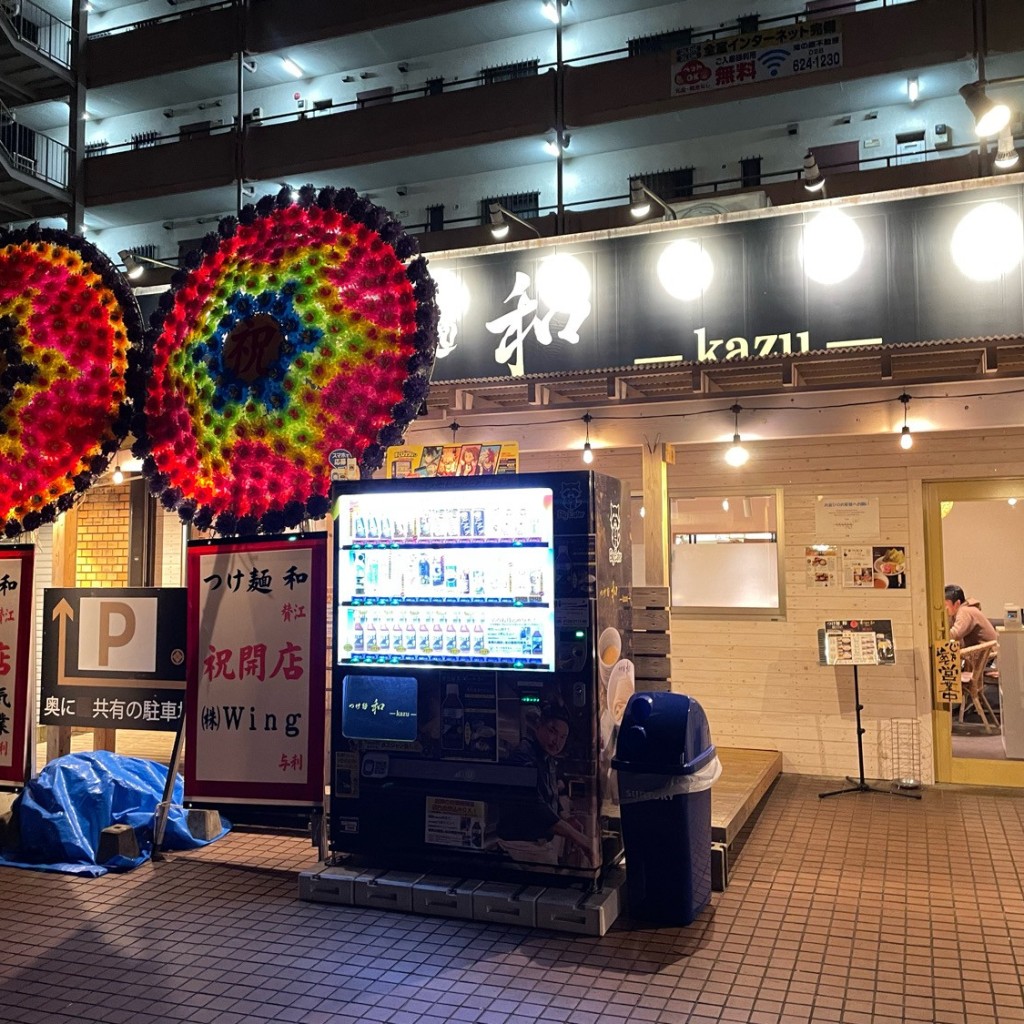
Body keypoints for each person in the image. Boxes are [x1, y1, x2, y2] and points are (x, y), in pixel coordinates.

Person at [497, 703, 593, 866]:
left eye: (563, 737)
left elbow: (548, 793)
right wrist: (583, 841)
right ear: (538, 725)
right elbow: (536, 808)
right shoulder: (523, 757)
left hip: (538, 846)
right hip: (521, 848)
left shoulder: (547, 758)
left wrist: (566, 818)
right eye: (552, 731)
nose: (557, 741)